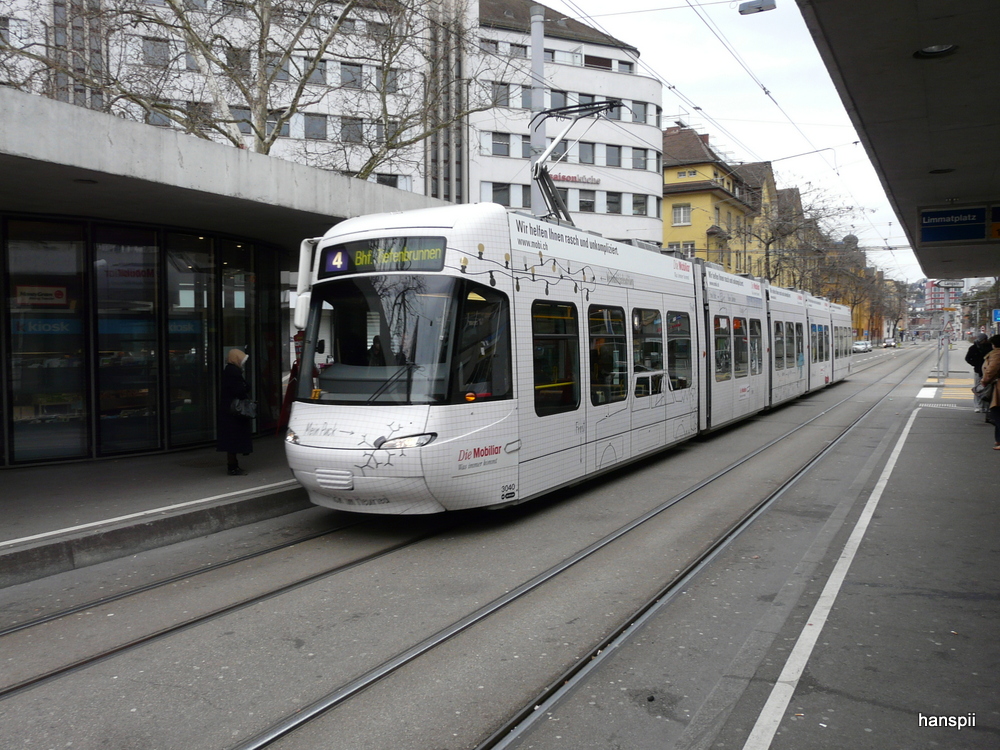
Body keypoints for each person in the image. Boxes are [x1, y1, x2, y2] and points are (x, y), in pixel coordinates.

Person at [217, 348, 253, 475]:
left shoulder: (229, 370)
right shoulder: (233, 371)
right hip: (233, 411)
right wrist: (245, 387)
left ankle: (233, 465)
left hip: (229, 410)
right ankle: (233, 467)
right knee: (233, 439)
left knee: (231, 439)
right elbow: (239, 390)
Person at [978, 334, 1000, 448]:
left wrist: (985, 381)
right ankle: (998, 440)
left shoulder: (997, 354)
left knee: (996, 412)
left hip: (998, 387)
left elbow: (991, 370)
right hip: (996, 385)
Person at [965, 333, 992, 413]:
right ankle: (978, 406)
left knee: (988, 389)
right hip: (978, 371)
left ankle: (986, 406)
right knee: (978, 388)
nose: (982, 342)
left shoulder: (990, 347)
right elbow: (968, 358)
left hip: (988, 371)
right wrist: (975, 364)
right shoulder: (973, 348)